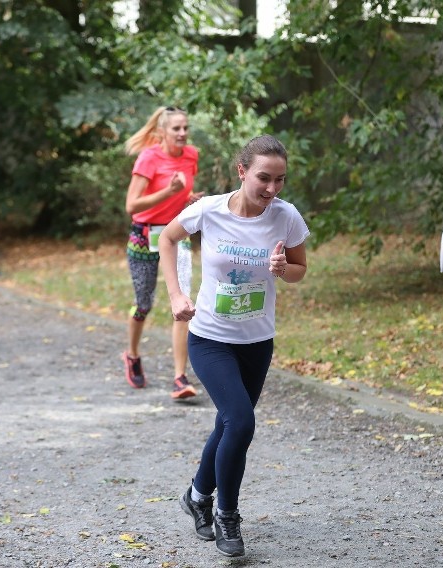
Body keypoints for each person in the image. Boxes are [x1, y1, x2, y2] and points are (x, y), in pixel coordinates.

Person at [158, 134, 309, 556]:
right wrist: (175, 294)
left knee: (228, 422)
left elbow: (300, 269)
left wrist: (284, 269)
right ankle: (227, 516)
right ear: (242, 172)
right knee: (241, 422)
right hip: (209, 337)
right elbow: (167, 240)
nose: (273, 189)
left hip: (257, 342)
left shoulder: (286, 217)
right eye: (264, 178)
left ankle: (196, 496)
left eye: (280, 180)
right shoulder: (209, 210)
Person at [121, 106, 204, 399]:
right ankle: (131, 354)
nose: (182, 134)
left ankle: (180, 378)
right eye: (176, 129)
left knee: (182, 302)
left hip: (175, 233)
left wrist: (188, 198)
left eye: (185, 128)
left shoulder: (192, 155)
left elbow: (182, 194)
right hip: (145, 236)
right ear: (162, 132)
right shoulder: (148, 158)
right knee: (144, 303)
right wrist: (168, 192)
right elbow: (132, 206)